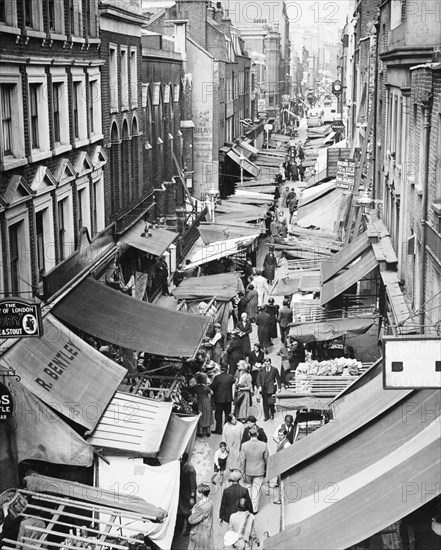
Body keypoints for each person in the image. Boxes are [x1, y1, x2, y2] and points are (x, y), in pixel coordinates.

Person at [239, 427, 269, 514]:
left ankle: (247, 506)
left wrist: (242, 472)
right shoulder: (264, 445)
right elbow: (267, 459)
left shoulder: (244, 445)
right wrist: (266, 470)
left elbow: (242, 460)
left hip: (248, 471)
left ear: (249, 434)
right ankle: (254, 509)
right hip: (259, 471)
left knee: (248, 488)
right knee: (256, 489)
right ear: (258, 434)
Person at [187, 484, 214, 550]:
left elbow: (191, 520)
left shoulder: (203, 507)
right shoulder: (209, 502)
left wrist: (193, 512)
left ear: (201, 494)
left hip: (200, 531)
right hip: (206, 529)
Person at [177, 453, 197, 537]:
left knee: (188, 512)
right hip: (182, 492)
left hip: (188, 494)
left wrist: (192, 497)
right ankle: (179, 527)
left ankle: (188, 528)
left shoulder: (190, 469)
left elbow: (193, 484)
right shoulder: (182, 466)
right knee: (181, 511)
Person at [210, 366, 235, 434]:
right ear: (227, 369)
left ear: (220, 370)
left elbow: (213, 386)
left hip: (219, 399)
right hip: (228, 399)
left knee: (218, 415)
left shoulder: (217, 377)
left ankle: (219, 429)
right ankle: (227, 429)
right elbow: (233, 381)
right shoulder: (230, 377)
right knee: (227, 414)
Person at [192, 373, 213, 437]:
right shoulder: (206, 387)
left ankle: (200, 432)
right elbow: (212, 392)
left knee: (200, 416)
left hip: (199, 402)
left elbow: (192, 392)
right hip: (207, 401)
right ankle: (208, 431)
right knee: (207, 415)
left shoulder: (196, 387)